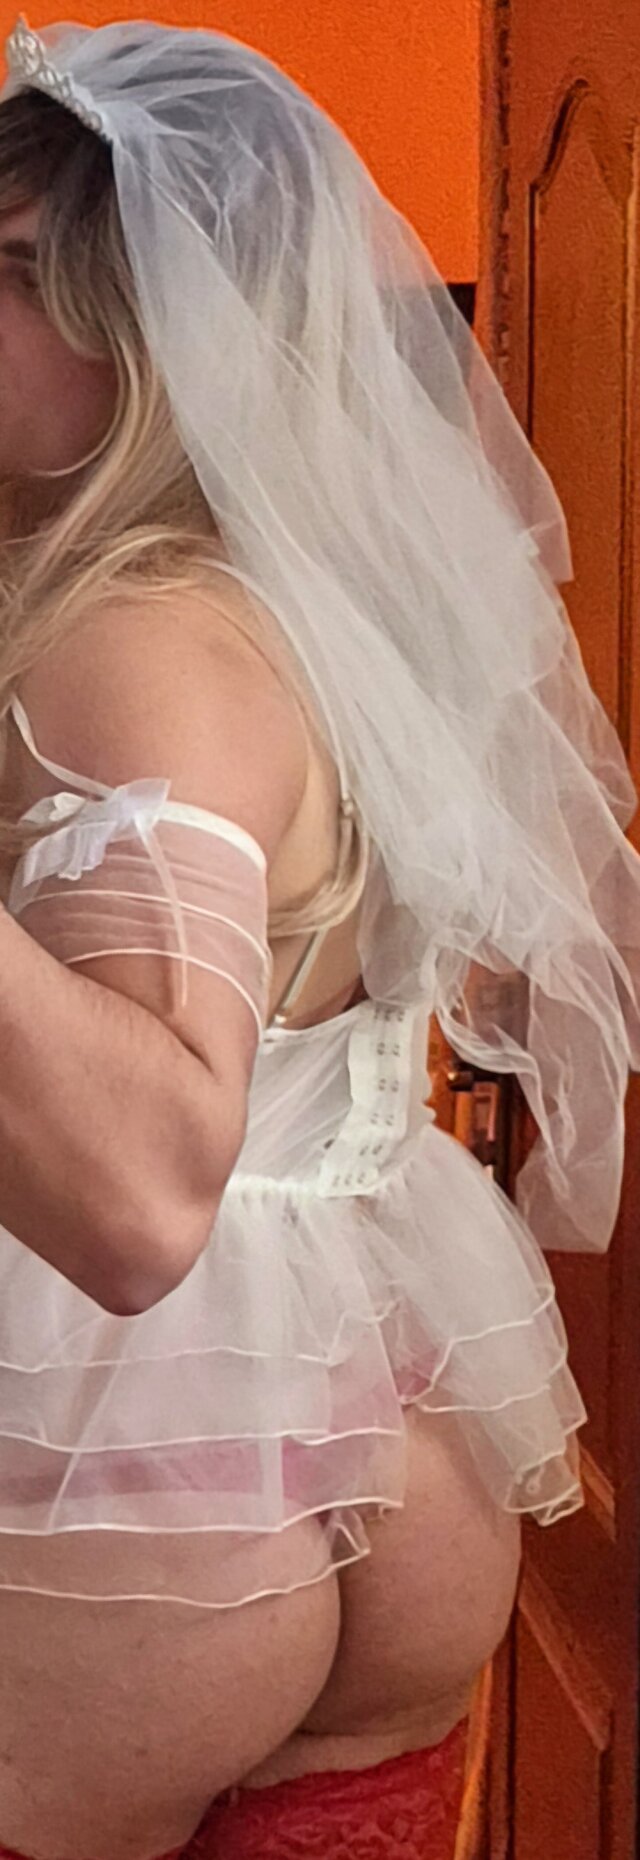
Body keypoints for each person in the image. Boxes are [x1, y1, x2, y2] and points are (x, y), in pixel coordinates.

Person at [0, 16, 638, 1860]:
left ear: (167, 325)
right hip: (391, 1429)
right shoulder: (339, 621)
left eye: (18, 275)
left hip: (131, 1490)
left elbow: (140, 1189)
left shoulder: (130, 642)